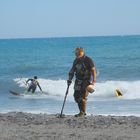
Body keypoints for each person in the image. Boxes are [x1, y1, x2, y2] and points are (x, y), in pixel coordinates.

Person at [67, 47, 96, 117]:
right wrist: (69, 80)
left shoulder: (88, 60)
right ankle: (82, 111)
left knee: (82, 97)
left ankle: (82, 112)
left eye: (77, 53)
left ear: (81, 53)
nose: (76, 55)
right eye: (75, 53)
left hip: (86, 80)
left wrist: (94, 80)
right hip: (78, 80)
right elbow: (72, 71)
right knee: (76, 96)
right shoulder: (76, 61)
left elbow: (93, 70)